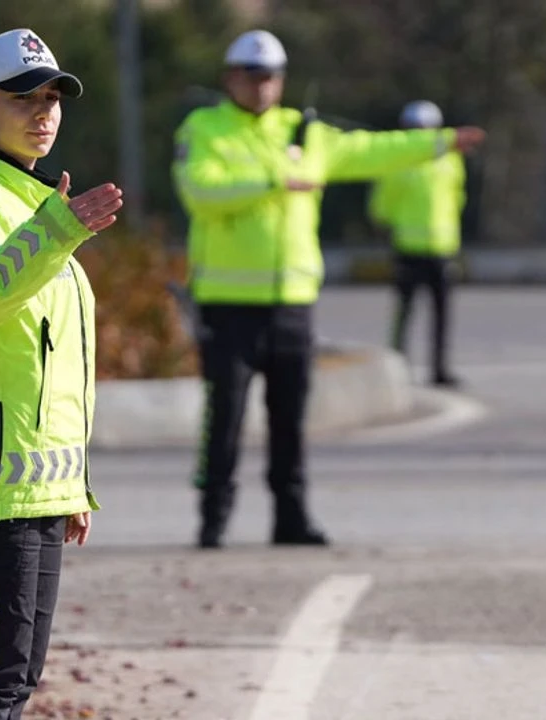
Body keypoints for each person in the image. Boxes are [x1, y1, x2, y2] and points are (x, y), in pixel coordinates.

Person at [172, 29, 486, 550]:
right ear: (230, 78)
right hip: (227, 303)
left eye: (271, 76)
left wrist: (441, 142)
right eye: (252, 75)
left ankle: (291, 518)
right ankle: (213, 518)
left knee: (291, 419)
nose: (261, 85)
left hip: (292, 304)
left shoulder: (305, 132)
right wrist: (274, 182)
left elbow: (374, 150)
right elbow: (200, 189)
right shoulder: (204, 128)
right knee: (223, 417)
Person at [0, 28, 123, 720]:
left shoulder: (32, 205)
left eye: (52, 99)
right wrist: (57, 232)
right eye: (23, 99)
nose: (43, 112)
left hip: (34, 490)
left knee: (14, 681)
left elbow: (45, 363)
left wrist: (70, 485)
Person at [368, 100, 467, 388]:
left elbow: (457, 197)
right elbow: (382, 203)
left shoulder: (450, 159)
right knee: (404, 311)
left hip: (442, 247)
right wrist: (385, 225)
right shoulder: (399, 161)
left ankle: (439, 368)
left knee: (442, 314)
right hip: (408, 248)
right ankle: (397, 367)